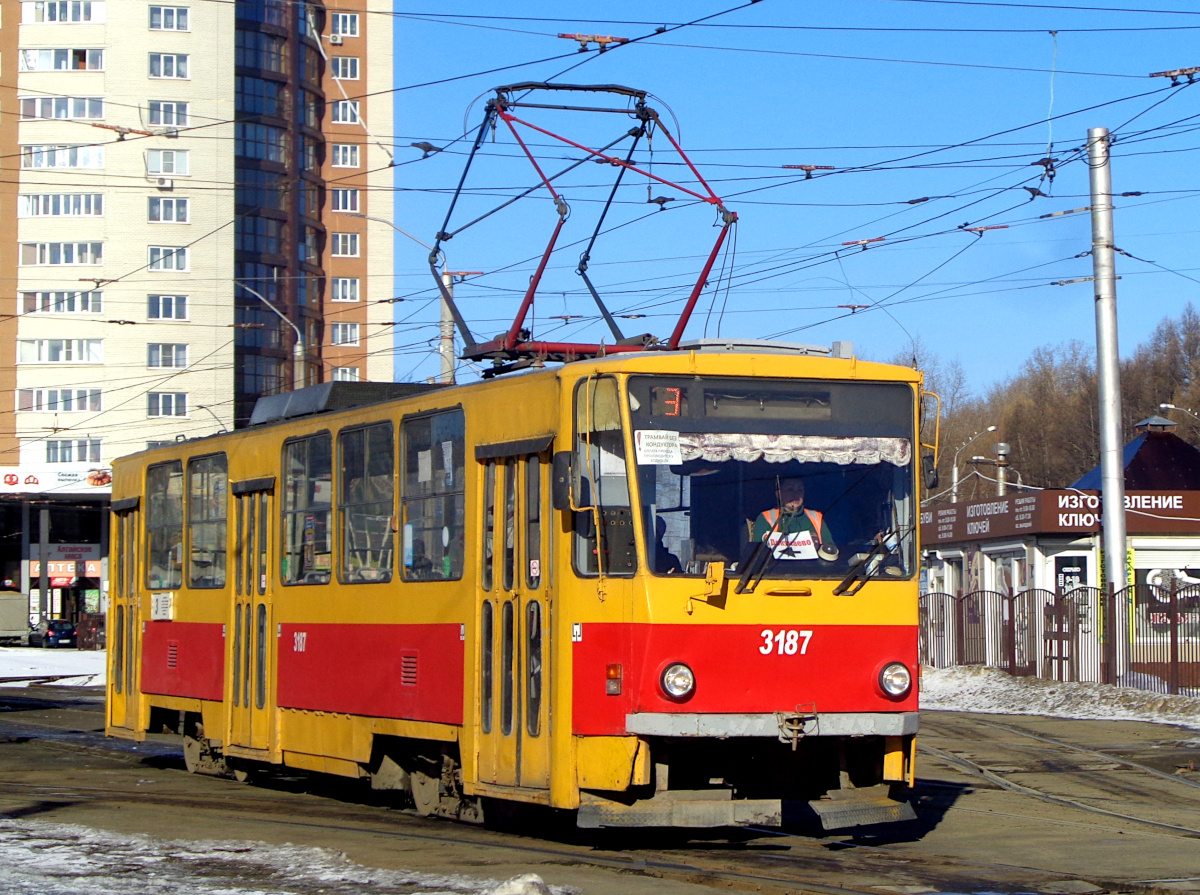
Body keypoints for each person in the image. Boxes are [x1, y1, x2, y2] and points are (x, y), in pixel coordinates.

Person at [752, 477, 838, 561]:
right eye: (790, 489)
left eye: (800, 490)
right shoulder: (767, 517)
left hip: (813, 572)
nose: (796, 494)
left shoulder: (816, 517)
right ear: (779, 494)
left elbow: (830, 551)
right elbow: (758, 555)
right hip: (776, 572)